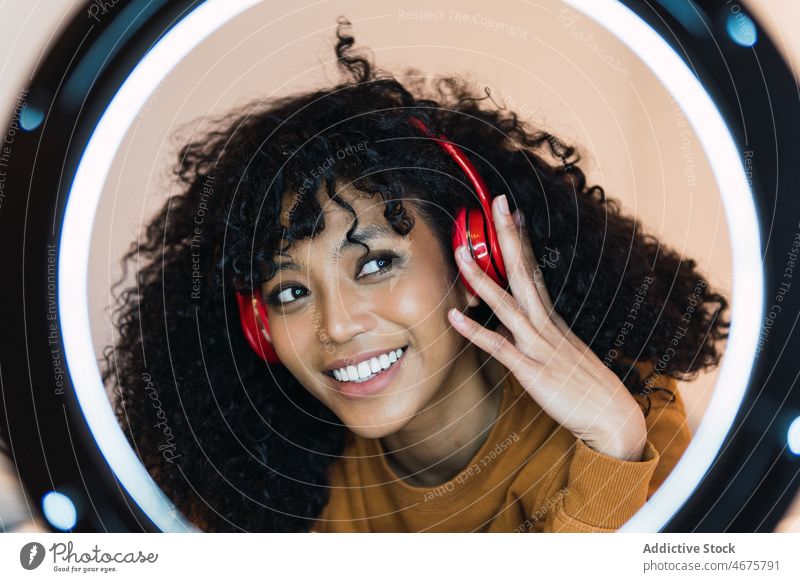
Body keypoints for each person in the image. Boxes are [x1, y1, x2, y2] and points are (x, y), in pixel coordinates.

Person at [105, 19, 729, 532]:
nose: (338, 323)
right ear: (258, 329)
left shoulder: (628, 407)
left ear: (471, 256)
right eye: (289, 291)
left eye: (374, 263)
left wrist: (614, 447)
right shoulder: (302, 506)